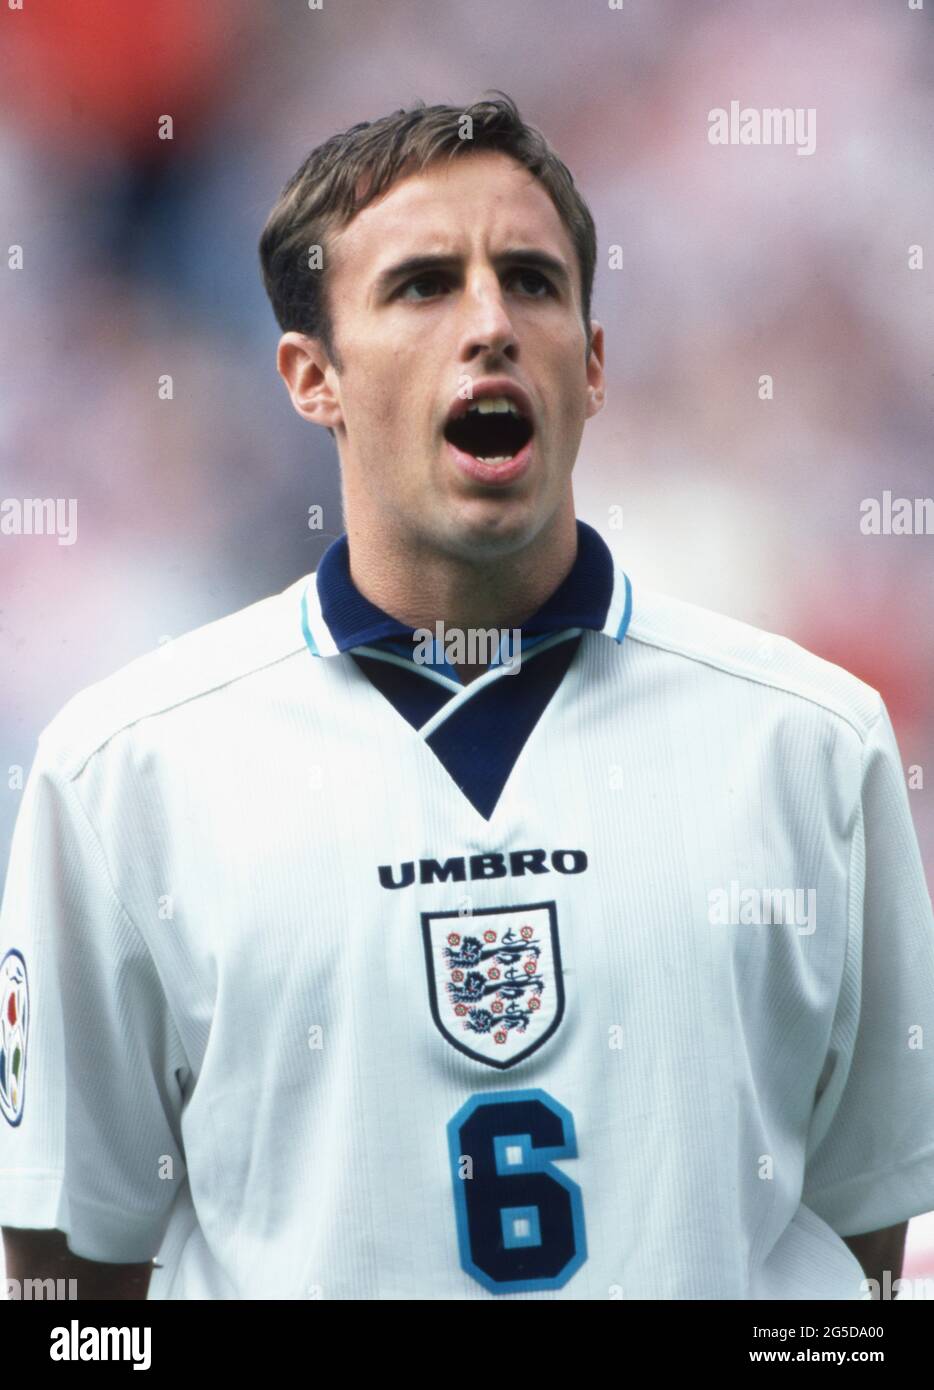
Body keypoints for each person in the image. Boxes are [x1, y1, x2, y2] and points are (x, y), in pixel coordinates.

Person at [1, 94, 932, 1300]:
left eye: (535, 282)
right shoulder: (125, 770)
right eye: (425, 284)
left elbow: (865, 1243)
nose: (490, 322)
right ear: (311, 377)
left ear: (592, 366)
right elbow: (67, 1271)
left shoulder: (810, 742)